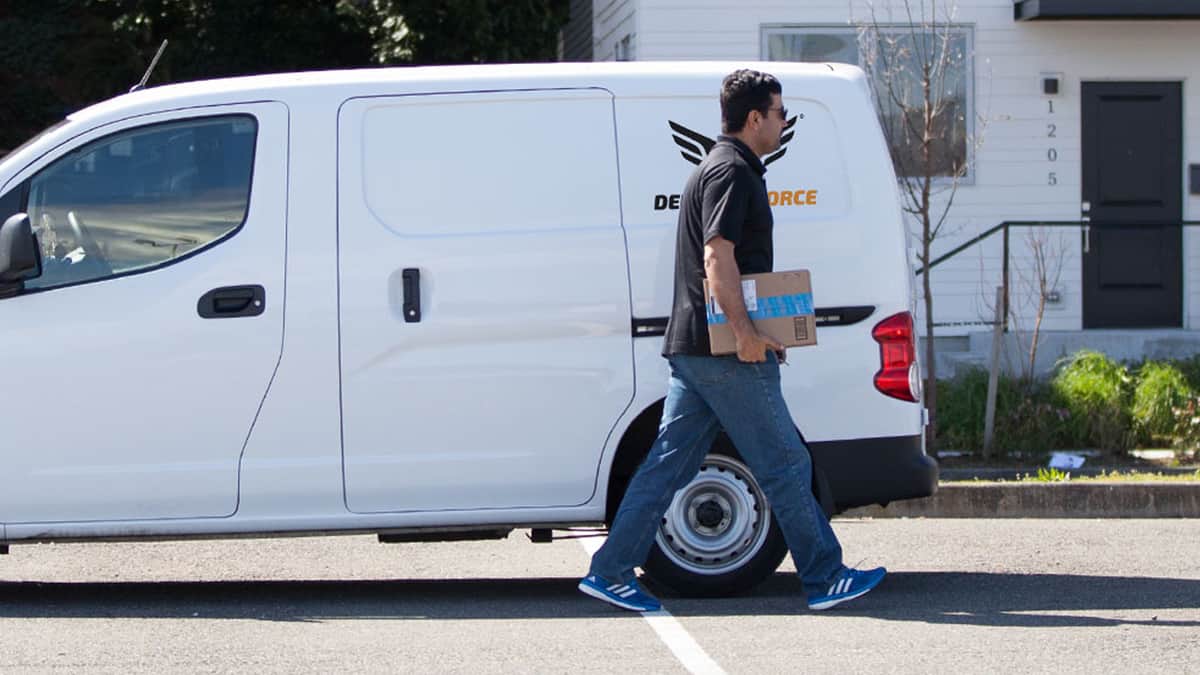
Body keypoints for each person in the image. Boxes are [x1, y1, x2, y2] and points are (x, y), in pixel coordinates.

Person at [578, 69, 885, 613]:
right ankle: (824, 576)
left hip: (701, 350)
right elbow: (718, 258)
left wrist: (762, 330)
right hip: (721, 352)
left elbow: (736, 269)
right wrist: (745, 335)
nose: (784, 122)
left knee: (667, 466)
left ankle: (610, 571)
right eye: (779, 112)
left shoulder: (720, 167)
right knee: (785, 463)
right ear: (754, 118)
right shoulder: (731, 172)